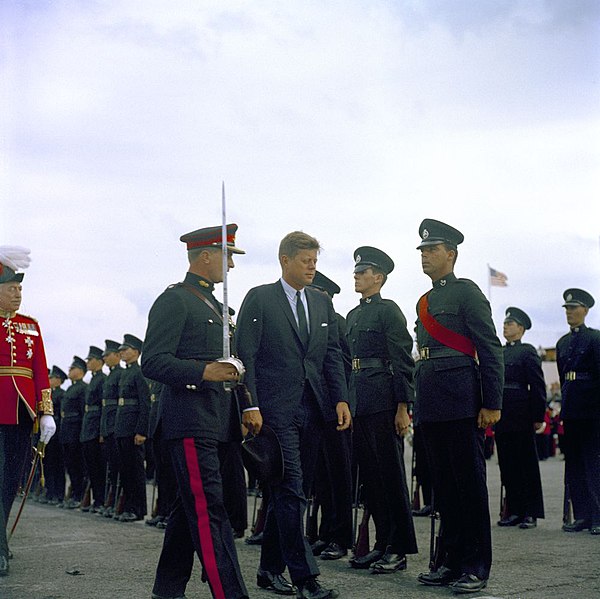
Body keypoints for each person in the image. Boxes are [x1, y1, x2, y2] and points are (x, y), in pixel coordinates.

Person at [142, 223, 261, 599]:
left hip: (219, 420)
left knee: (188, 506)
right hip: (189, 419)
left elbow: (232, 364)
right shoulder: (175, 300)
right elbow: (153, 362)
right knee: (209, 510)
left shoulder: (220, 308)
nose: (232, 267)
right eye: (228, 257)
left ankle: (167, 589)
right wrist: (202, 371)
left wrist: (246, 406)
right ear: (206, 256)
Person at [236, 231, 351, 599]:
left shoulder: (321, 304)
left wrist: (340, 400)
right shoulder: (260, 299)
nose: (312, 267)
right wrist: (249, 404)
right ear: (285, 260)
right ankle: (305, 579)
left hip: (314, 409)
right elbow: (246, 356)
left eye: (315, 261)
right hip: (274, 411)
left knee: (286, 492)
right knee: (291, 490)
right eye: (306, 261)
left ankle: (269, 571)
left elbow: (331, 355)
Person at [413, 219, 503, 594]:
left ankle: (475, 565)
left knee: (468, 487)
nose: (425, 256)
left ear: (450, 254)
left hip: (462, 402)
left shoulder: (467, 293)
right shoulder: (425, 301)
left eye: (431, 250)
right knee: (444, 489)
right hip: (432, 404)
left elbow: (489, 346)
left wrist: (492, 403)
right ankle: (448, 562)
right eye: (422, 251)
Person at [346, 247, 418, 573]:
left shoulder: (389, 311)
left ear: (379, 277)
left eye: (363, 272)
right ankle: (381, 543)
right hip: (359, 400)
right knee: (371, 480)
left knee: (390, 477)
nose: (357, 275)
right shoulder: (353, 315)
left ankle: (398, 548)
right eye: (356, 271)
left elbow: (402, 361)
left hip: (384, 401)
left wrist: (403, 407)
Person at [0, 246, 56, 576]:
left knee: (10, 482)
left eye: (20, 289)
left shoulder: (30, 325)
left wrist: (46, 412)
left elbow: (41, 371)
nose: (17, 294)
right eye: (11, 289)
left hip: (22, 411)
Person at [306, 271, 353, 562]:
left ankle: (341, 536)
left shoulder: (336, 322)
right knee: (321, 477)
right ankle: (324, 533)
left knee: (338, 475)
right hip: (315, 408)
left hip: (334, 409)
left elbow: (342, 365)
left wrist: (340, 400)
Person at [495, 307, 546, 529]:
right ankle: (514, 509)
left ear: (521, 329)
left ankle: (530, 512)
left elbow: (537, 385)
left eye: (511, 323)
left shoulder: (528, 352)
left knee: (526, 463)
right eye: (505, 323)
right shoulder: (499, 352)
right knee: (507, 464)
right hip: (502, 413)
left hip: (521, 413)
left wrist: (538, 415)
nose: (506, 326)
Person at [556, 288, 600, 535]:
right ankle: (582, 515)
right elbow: (564, 377)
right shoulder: (562, 343)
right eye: (567, 309)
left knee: (593, 463)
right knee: (574, 464)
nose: (569, 312)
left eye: (574, 308)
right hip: (571, 410)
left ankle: (597, 516)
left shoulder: (595, 339)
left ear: (585, 310)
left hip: (592, 411)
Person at [114, 333, 150, 522]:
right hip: (122, 426)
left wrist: (141, 430)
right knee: (126, 470)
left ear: (135, 352)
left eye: (125, 350)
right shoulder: (126, 372)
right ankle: (128, 506)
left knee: (135, 472)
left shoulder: (139, 372)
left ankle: (138, 509)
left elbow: (145, 404)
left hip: (133, 429)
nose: (122, 352)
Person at [80, 345, 107, 513]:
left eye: (90, 360)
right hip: (88, 426)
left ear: (99, 361)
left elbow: (103, 407)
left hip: (96, 426)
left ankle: (101, 500)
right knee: (91, 467)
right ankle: (96, 499)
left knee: (99, 467)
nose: (88, 363)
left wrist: (101, 431)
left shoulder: (102, 379)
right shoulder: (93, 380)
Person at [59, 355, 88, 509]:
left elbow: (84, 412)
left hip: (76, 431)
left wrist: (82, 433)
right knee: (70, 466)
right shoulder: (70, 388)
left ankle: (79, 496)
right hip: (67, 431)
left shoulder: (83, 388)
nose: (69, 370)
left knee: (78, 466)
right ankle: (74, 494)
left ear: (81, 371)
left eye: (73, 368)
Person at [99, 338, 123, 517]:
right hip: (107, 426)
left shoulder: (121, 374)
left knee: (118, 468)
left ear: (116, 356)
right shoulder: (109, 377)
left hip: (118, 425)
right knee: (110, 468)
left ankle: (118, 502)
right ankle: (109, 502)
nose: (104, 358)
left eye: (107, 355)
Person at [44, 365, 67, 505]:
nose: (49, 380)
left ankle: (58, 494)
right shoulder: (48, 395)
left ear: (59, 380)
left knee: (58, 465)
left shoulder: (62, 394)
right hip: (47, 434)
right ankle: (49, 492)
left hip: (57, 433)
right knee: (48, 464)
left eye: (52, 378)